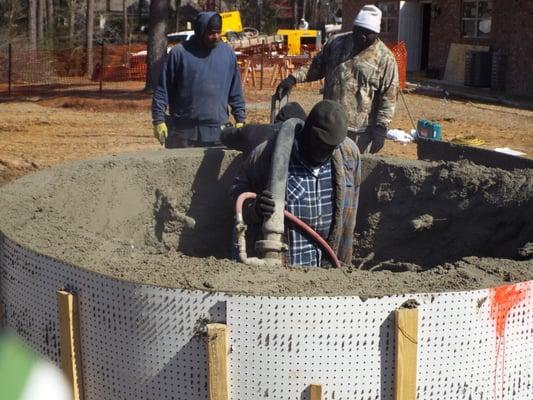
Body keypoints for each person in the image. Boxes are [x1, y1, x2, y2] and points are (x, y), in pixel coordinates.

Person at [232, 100, 361, 267]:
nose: (326, 153)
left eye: (332, 147)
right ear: (308, 133)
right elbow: (237, 192)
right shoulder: (267, 154)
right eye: (321, 145)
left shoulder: (348, 155)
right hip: (284, 276)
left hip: (328, 276)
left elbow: (351, 212)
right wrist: (254, 209)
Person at [275, 4, 399, 154]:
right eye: (358, 30)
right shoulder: (337, 43)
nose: (362, 36)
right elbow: (316, 66)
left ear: (376, 34)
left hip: (359, 132)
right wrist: (292, 79)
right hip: (329, 124)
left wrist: (381, 128)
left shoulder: (385, 58)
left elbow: (389, 96)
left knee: (351, 172)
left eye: (368, 33)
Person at [152, 11, 246, 148]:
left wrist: (240, 119)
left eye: (219, 32)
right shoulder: (179, 53)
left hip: (217, 133)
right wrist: (158, 120)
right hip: (183, 133)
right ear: (200, 31)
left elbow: (235, 90)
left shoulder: (227, 53)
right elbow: (162, 89)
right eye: (211, 33)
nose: (216, 36)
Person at [221, 101, 307, 155]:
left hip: (257, 182)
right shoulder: (308, 142)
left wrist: (227, 128)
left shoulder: (256, 133)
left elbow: (225, 136)